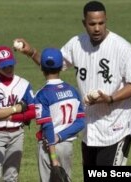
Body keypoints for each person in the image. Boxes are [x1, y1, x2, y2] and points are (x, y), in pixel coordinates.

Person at [14, 0, 131, 166]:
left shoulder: (122, 48)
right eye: (92, 24)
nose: (97, 28)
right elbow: (52, 64)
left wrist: (110, 98)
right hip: (89, 130)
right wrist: (31, 52)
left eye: (101, 23)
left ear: (106, 21)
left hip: (116, 128)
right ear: (84, 23)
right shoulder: (76, 44)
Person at [0, 45, 36, 182]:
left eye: (10, 65)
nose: (8, 68)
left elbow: (33, 111)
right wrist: (16, 108)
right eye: (4, 66)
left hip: (17, 134)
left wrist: (12, 117)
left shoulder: (24, 84)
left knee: (11, 177)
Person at [34, 48, 85, 181]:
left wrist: (53, 158)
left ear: (41, 68)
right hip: (66, 146)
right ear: (61, 67)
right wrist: (61, 136)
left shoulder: (42, 94)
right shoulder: (73, 91)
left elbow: (47, 126)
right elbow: (81, 122)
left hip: (49, 147)